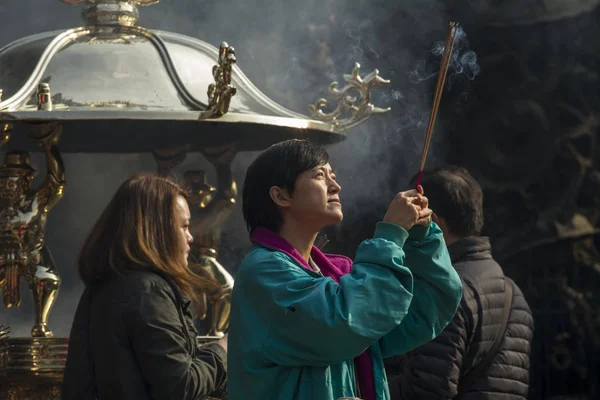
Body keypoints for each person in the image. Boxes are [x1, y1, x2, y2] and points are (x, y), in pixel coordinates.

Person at [227, 139, 463, 400]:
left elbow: (424, 309)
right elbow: (344, 322)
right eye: (319, 175)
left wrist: (422, 240)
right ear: (281, 195)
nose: (335, 185)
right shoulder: (264, 270)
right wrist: (390, 236)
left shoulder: (334, 276)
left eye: (333, 176)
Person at [61, 174, 227, 400]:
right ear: (157, 230)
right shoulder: (148, 292)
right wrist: (223, 348)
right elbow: (180, 386)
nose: (191, 237)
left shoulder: (110, 284)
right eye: (185, 226)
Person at [385, 165, 534, 399]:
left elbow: (426, 391)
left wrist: (366, 384)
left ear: (431, 220)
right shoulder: (513, 291)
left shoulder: (444, 291)